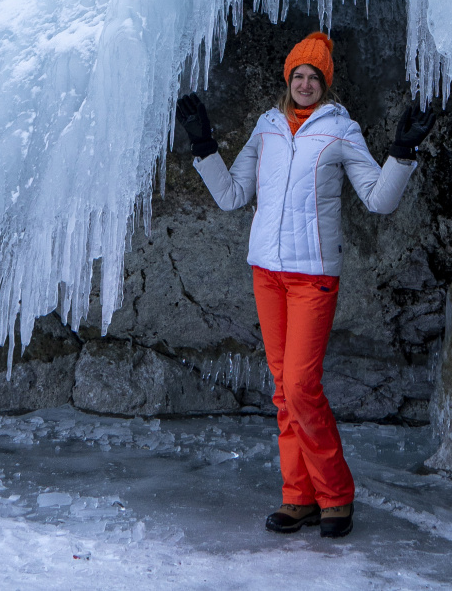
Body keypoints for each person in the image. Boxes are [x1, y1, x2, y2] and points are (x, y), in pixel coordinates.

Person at [176, 30, 436, 540]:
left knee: (301, 385)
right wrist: (204, 145)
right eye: (298, 75)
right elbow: (232, 196)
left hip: (313, 275)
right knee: (282, 391)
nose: (304, 83)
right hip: (267, 274)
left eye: (313, 77)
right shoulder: (267, 128)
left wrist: (403, 152)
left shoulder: (340, 130)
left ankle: (336, 495)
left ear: (324, 84)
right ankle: (299, 498)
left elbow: (378, 200)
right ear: (287, 79)